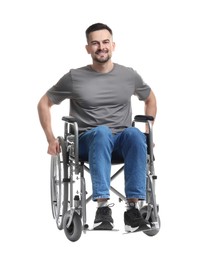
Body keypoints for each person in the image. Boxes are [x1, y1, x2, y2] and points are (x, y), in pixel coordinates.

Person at [37, 22, 157, 232]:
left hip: (120, 142)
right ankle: (102, 208)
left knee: (135, 134)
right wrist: (50, 138)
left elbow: (150, 98)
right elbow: (44, 103)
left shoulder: (129, 75)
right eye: (95, 43)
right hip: (87, 141)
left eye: (105, 42)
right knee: (101, 132)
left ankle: (133, 210)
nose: (101, 47)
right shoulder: (75, 77)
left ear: (113, 45)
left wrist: (148, 130)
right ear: (88, 48)